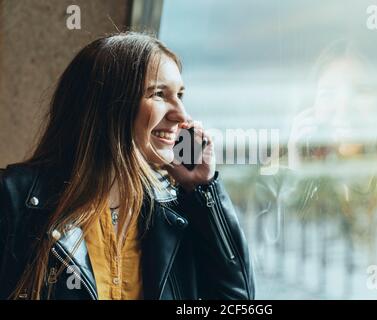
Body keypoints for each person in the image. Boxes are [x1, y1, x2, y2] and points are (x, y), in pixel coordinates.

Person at [0, 32, 255, 300]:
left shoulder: (176, 210)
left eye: (180, 95)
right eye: (159, 94)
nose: (182, 114)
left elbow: (238, 300)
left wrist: (203, 189)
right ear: (108, 105)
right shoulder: (15, 201)